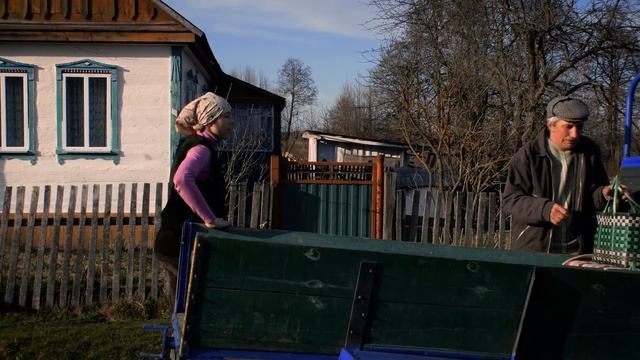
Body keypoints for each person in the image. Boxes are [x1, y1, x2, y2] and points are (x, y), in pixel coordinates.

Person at [503, 96, 614, 254]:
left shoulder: (590, 152)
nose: (575, 134)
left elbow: (591, 196)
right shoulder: (529, 155)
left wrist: (603, 194)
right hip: (536, 251)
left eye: (580, 127)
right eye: (568, 126)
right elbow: (511, 200)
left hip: (579, 252)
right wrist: (545, 210)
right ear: (551, 125)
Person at [155, 92, 233, 297]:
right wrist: (210, 219)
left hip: (177, 242)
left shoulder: (198, 144)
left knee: (183, 308)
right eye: (226, 117)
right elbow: (182, 179)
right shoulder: (201, 149)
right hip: (179, 243)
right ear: (210, 120)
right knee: (193, 305)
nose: (231, 122)